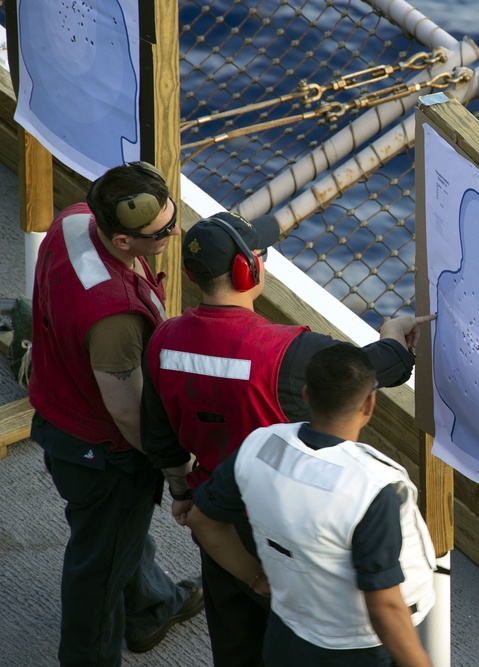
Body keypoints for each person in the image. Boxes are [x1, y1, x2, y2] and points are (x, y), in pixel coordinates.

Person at [140, 211, 434, 666]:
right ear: (248, 269)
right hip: (280, 514)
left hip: (215, 509)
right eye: (260, 254)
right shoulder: (292, 352)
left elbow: (160, 436)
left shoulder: (163, 340)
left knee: (235, 643)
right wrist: (395, 342)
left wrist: (182, 491)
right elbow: (356, 375)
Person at [28, 161, 204, 666]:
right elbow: (130, 416)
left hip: (58, 407)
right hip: (103, 455)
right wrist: (177, 473)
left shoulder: (75, 220)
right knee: (97, 571)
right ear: (124, 242)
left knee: (119, 534)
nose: (174, 232)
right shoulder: (115, 320)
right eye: (162, 231)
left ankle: (149, 608)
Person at [187, 344, 436, 666]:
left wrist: (255, 578)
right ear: (369, 404)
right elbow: (384, 606)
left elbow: (203, 521)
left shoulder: (260, 444)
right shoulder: (373, 487)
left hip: (287, 629)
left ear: (306, 394)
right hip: (357, 647)